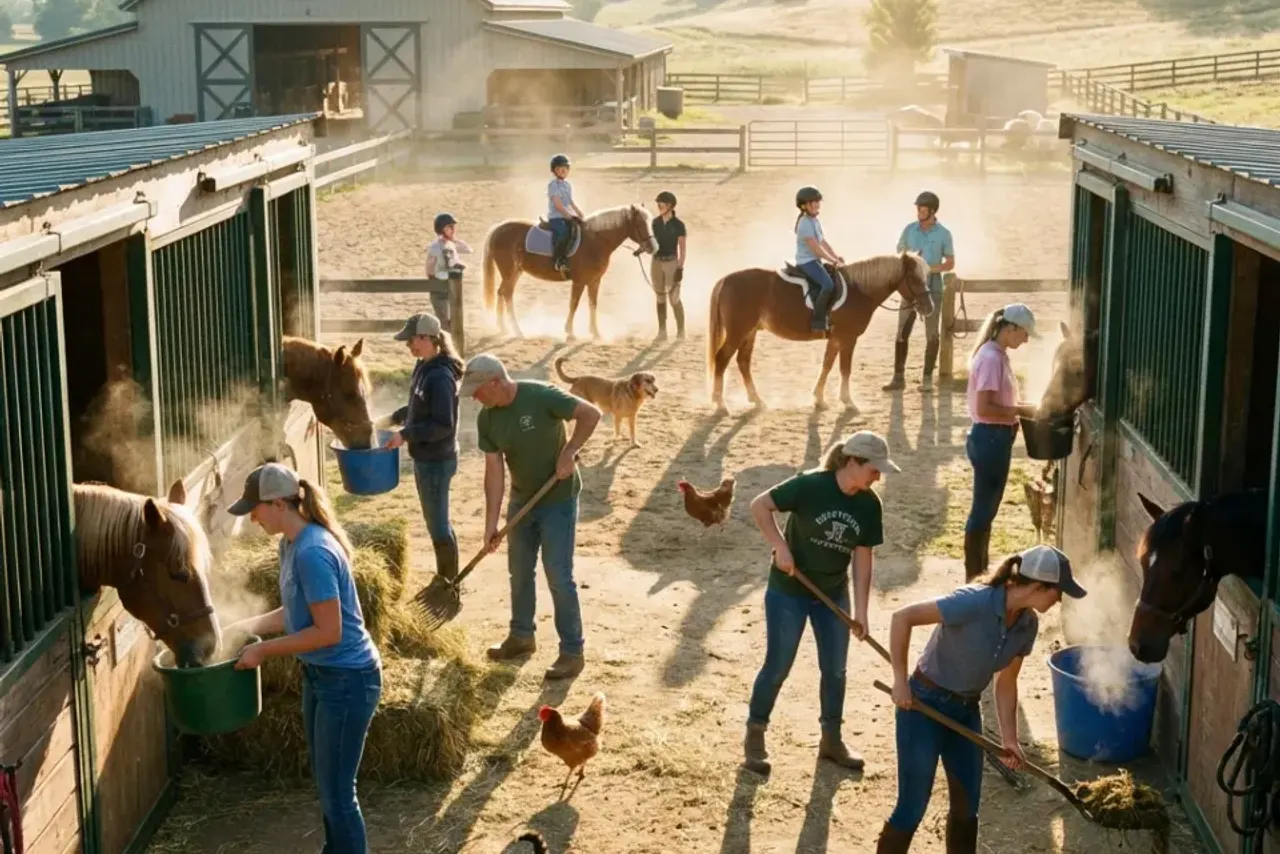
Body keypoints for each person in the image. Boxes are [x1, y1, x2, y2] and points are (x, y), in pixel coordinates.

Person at [875, 545, 1087, 854]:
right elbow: (902, 617)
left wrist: (1010, 739)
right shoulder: (974, 601)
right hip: (923, 706)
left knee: (967, 809)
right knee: (912, 807)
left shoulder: (1027, 625)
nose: (1059, 600)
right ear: (1040, 586)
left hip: (966, 712)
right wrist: (899, 681)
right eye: (1058, 592)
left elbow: (1006, 683)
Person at [225, 462, 382, 854]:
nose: (252, 518)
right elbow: (295, 613)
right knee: (327, 785)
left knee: (338, 794)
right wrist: (242, 627)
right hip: (322, 677)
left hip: (347, 680)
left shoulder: (313, 551)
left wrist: (262, 650)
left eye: (255, 509)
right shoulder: (290, 544)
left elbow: (329, 632)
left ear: (279, 503)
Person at [743, 431, 899, 775]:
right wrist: (780, 546)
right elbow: (760, 505)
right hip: (789, 590)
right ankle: (755, 733)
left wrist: (860, 612)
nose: (878, 476)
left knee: (835, 670)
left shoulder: (869, 504)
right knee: (778, 665)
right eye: (874, 469)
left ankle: (831, 740)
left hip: (831, 594)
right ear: (853, 462)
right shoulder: (811, 485)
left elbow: (862, 559)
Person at [462, 353, 601, 680]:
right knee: (519, 570)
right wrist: (491, 525)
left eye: (477, 391)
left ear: (495, 382)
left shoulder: (541, 396)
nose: (474, 398)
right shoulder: (488, 419)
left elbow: (590, 414)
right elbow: (493, 472)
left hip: (558, 500)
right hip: (522, 500)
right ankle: (521, 636)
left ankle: (572, 652)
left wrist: (569, 451)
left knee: (558, 574)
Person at [381, 312, 464, 582]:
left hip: (437, 461)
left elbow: (443, 424)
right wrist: (392, 419)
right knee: (435, 520)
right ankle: (447, 578)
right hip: (426, 458)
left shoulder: (440, 377)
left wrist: (404, 435)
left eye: (412, 340)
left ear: (429, 338)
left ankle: (448, 582)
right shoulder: (423, 366)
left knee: (438, 523)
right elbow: (418, 408)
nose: (409, 346)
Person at [964, 303, 1040, 581]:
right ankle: (974, 576)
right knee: (983, 510)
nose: (1026, 339)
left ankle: (978, 572)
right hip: (991, 437)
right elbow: (984, 408)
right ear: (1010, 329)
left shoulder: (997, 355)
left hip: (995, 437)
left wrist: (1022, 406)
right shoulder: (992, 359)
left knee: (987, 509)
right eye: (1024, 333)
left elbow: (997, 402)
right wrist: (1021, 411)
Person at [883, 191, 955, 393]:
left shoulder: (944, 234)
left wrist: (925, 268)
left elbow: (950, 263)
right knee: (901, 332)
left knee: (931, 334)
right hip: (909, 291)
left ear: (932, 211)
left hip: (932, 289)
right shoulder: (909, 230)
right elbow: (899, 253)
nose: (918, 212)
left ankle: (927, 379)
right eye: (917, 208)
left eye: (922, 208)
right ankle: (898, 378)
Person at [793, 186, 845, 334]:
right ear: (804, 206)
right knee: (828, 285)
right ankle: (818, 321)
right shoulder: (804, 223)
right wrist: (832, 260)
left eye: (817, 201)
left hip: (814, 261)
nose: (816, 204)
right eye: (812, 202)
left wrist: (836, 256)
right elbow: (816, 249)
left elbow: (823, 242)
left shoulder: (814, 221)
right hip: (806, 262)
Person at [650, 190, 687, 341]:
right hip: (656, 261)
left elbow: (682, 250)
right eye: (658, 204)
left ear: (670, 206)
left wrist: (680, 268)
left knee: (674, 298)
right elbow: (651, 242)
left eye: (662, 204)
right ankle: (662, 331)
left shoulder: (679, 225)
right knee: (659, 296)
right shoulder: (655, 222)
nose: (659, 206)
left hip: (671, 261)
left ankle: (680, 331)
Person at [547, 154, 584, 276]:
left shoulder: (567, 185)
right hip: (556, 217)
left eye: (565, 169)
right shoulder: (553, 185)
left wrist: (579, 212)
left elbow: (570, 202)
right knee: (563, 232)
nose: (563, 171)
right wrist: (570, 216)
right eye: (560, 169)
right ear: (554, 171)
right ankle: (559, 260)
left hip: (567, 215)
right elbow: (558, 205)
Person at [426, 212, 472, 280]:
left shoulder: (451, 244)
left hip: (451, 282)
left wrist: (455, 240)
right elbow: (430, 269)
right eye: (450, 227)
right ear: (441, 229)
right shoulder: (436, 246)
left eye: (453, 226)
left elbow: (468, 250)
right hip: (440, 283)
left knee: (456, 274)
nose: (453, 230)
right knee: (455, 274)